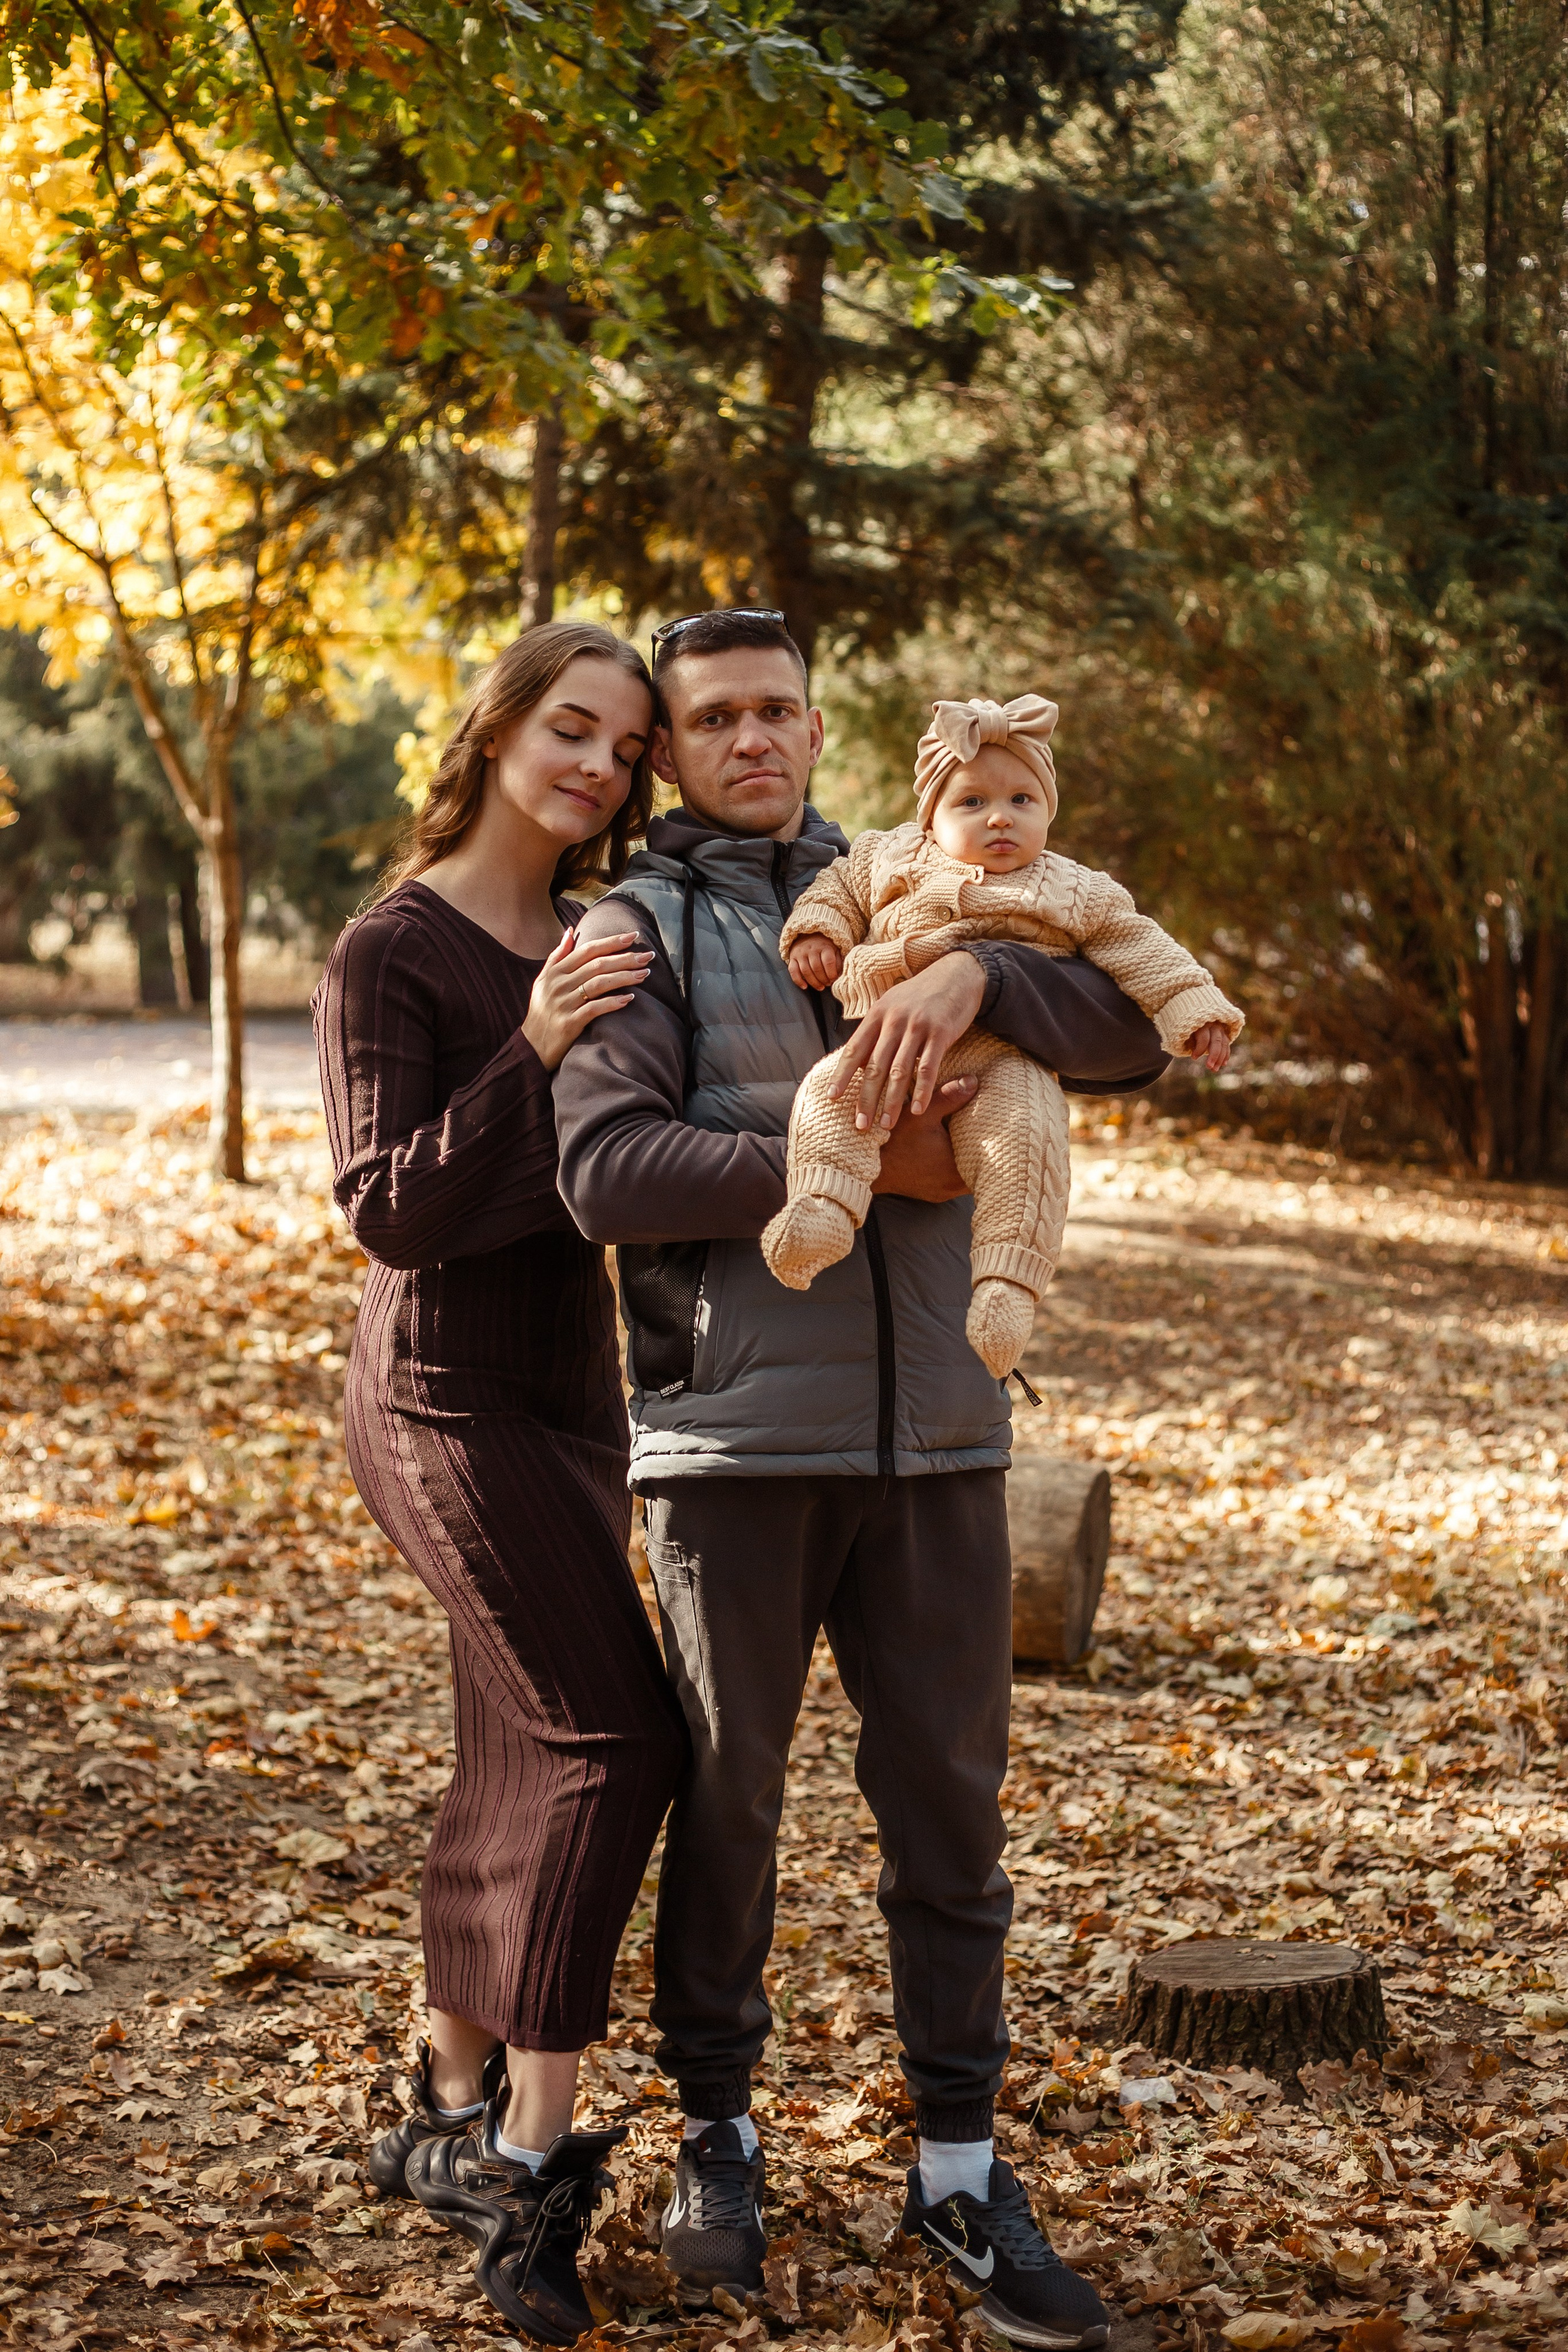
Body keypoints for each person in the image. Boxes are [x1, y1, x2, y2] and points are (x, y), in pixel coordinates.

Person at [552, 609, 1172, 2352]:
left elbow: (1125, 1016)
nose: (753, 740)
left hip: (946, 1440)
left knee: (950, 1816)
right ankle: (716, 2140)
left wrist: (981, 978)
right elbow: (605, 1169)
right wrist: (854, 1155)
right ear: (667, 752)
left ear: (823, 732)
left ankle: (962, 2171)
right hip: (733, 1444)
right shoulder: (635, 926)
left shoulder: (935, 876)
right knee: (731, 1805)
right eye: (715, 718)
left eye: (780, 712)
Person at [312, 620, 688, 2346]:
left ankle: (438, 2094)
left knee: (518, 1739)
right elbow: (389, 1205)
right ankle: (535, 2159)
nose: (599, 768)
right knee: (618, 1732)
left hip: (572, 1390)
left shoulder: (614, 926)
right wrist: (529, 1046)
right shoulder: (396, 948)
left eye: (625, 747)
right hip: (440, 1388)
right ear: (502, 726)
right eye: (574, 728)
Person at [764, 690, 1243, 1373]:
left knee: (1027, 1146)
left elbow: (1140, 947)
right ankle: (821, 1204)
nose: (1000, 817)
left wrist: (1195, 1009)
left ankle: (1007, 1287)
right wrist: (817, 931)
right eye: (971, 803)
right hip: (889, 1044)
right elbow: (835, 890)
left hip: (1005, 1059)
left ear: (1048, 810)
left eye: (1023, 800)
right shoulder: (887, 855)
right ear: (930, 815)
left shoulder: (1075, 888)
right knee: (827, 1093)